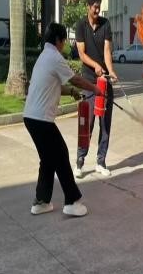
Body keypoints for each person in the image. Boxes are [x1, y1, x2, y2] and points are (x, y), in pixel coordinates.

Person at [23, 22, 107, 217]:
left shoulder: (44, 57)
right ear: (58, 40)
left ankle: (41, 201)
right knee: (60, 154)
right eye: (64, 41)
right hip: (41, 120)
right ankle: (72, 201)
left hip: (31, 117)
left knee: (48, 159)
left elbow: (53, 84)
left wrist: (70, 92)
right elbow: (75, 78)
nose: (64, 46)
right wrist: (95, 89)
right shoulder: (54, 57)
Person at [74, 0, 118, 178]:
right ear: (88, 7)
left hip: (103, 82)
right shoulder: (80, 26)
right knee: (87, 124)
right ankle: (80, 161)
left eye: (99, 7)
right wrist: (96, 66)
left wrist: (110, 70)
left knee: (105, 124)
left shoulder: (105, 24)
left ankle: (101, 162)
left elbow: (107, 51)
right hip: (88, 83)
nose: (97, 11)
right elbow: (82, 54)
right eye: (94, 8)